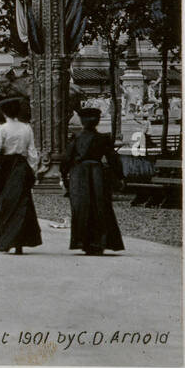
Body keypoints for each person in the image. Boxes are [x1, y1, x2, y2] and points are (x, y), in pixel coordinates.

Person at [61, 105, 125, 255]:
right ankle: (100, 241)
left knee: (81, 207)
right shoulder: (103, 138)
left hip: (79, 174)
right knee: (100, 206)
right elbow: (113, 158)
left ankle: (83, 241)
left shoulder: (76, 139)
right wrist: (120, 176)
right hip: (97, 173)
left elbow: (67, 159)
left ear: (82, 121)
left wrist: (63, 175)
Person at [0, 96, 42, 254]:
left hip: (6, 167)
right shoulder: (26, 128)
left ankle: (6, 240)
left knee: (5, 203)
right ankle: (20, 242)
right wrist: (32, 170)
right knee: (22, 203)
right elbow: (32, 152)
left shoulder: (2, 129)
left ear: (4, 113)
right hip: (21, 166)